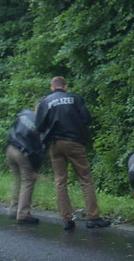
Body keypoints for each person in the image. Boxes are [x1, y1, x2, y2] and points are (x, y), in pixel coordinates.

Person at [35, 76, 111, 230]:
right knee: (85, 179)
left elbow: (38, 125)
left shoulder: (45, 102)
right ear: (65, 86)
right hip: (74, 142)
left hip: (55, 145)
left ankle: (66, 219)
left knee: (60, 181)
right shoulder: (75, 99)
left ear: (52, 88)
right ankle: (93, 217)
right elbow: (87, 119)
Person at [5, 108, 44, 224]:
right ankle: (23, 214)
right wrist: (36, 169)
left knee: (17, 180)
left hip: (11, 148)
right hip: (23, 153)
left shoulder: (24, 114)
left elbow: (12, 129)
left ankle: (13, 209)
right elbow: (38, 149)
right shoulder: (41, 124)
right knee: (27, 182)